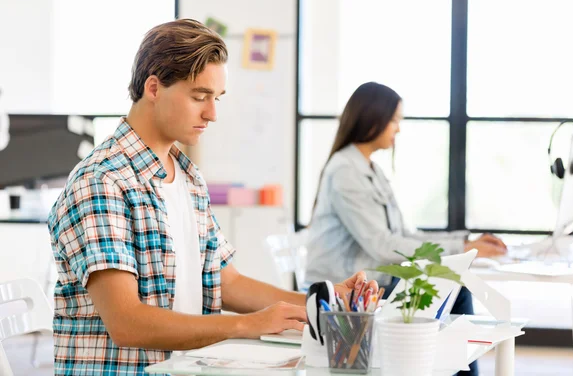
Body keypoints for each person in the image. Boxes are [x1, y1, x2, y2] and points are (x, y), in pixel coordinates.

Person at [48, 19, 377, 375]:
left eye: (216, 98)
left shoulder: (187, 177)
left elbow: (225, 280)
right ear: (154, 88)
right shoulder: (102, 182)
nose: (212, 114)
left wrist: (326, 303)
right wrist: (245, 325)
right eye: (199, 96)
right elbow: (127, 323)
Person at [305, 81, 508, 376]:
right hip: (346, 291)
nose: (398, 129)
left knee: (452, 287)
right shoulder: (346, 171)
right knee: (457, 288)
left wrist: (464, 241)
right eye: (394, 120)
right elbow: (383, 246)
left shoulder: (370, 169)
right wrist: (461, 249)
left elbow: (404, 235)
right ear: (372, 118)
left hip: (373, 282)